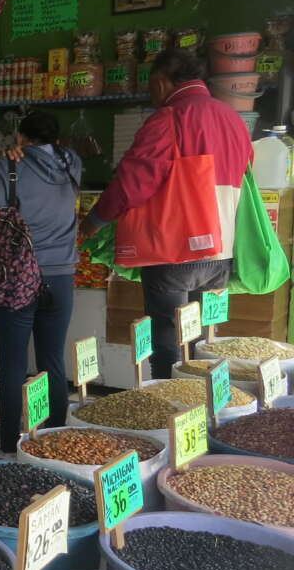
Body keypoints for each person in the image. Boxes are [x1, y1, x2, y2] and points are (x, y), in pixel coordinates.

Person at [80, 48, 253, 378]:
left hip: (175, 249)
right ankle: (203, 414)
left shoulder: (170, 117)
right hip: (222, 252)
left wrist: (96, 220)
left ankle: (168, 414)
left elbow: (134, 181)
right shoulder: (233, 119)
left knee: (168, 342)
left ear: (160, 82)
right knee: (203, 341)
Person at [0, 111, 81, 455]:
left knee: (13, 364)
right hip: (62, 276)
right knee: (52, 361)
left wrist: (11, 161)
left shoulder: (7, 167)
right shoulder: (72, 164)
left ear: (20, 138)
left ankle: (9, 446)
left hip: (18, 276)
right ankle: (55, 444)